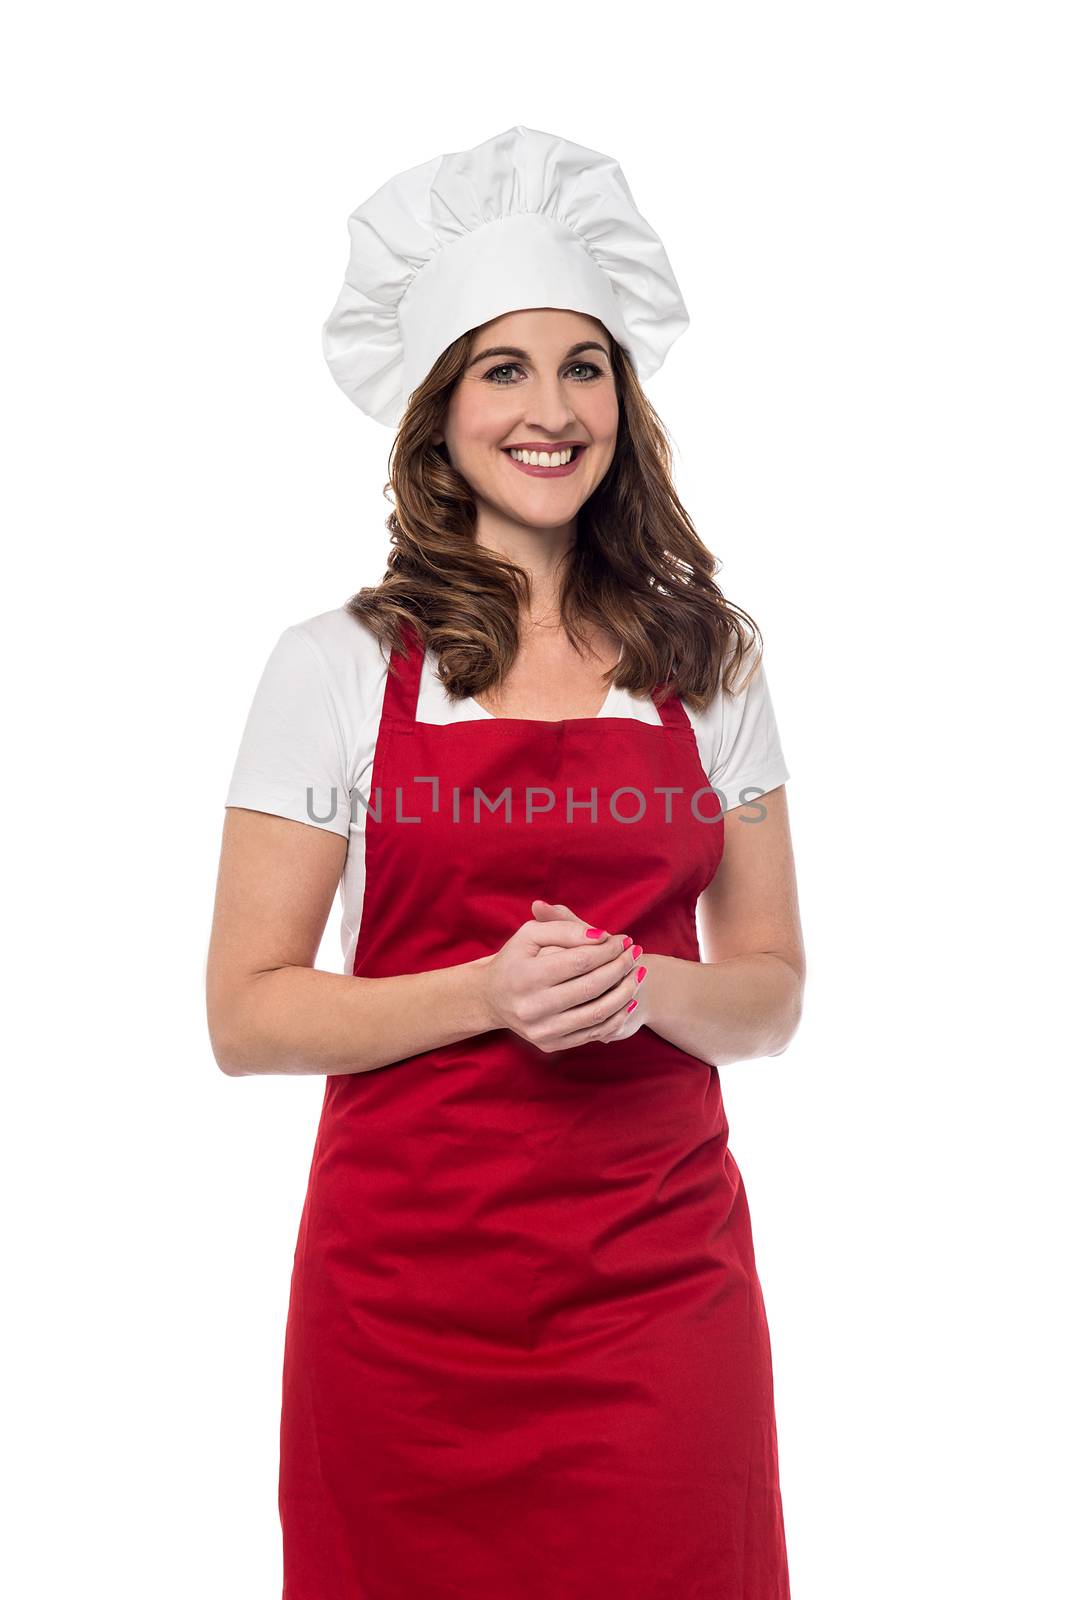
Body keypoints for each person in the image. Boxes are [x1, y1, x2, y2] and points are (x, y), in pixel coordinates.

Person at [207, 124, 805, 1599]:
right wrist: (491, 993)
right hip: (404, 1298)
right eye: (504, 369)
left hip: (658, 1283)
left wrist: (639, 984)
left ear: (624, 398)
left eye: (582, 365)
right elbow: (248, 1015)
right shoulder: (338, 665)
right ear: (438, 418)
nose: (551, 410)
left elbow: (772, 993)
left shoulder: (709, 664)